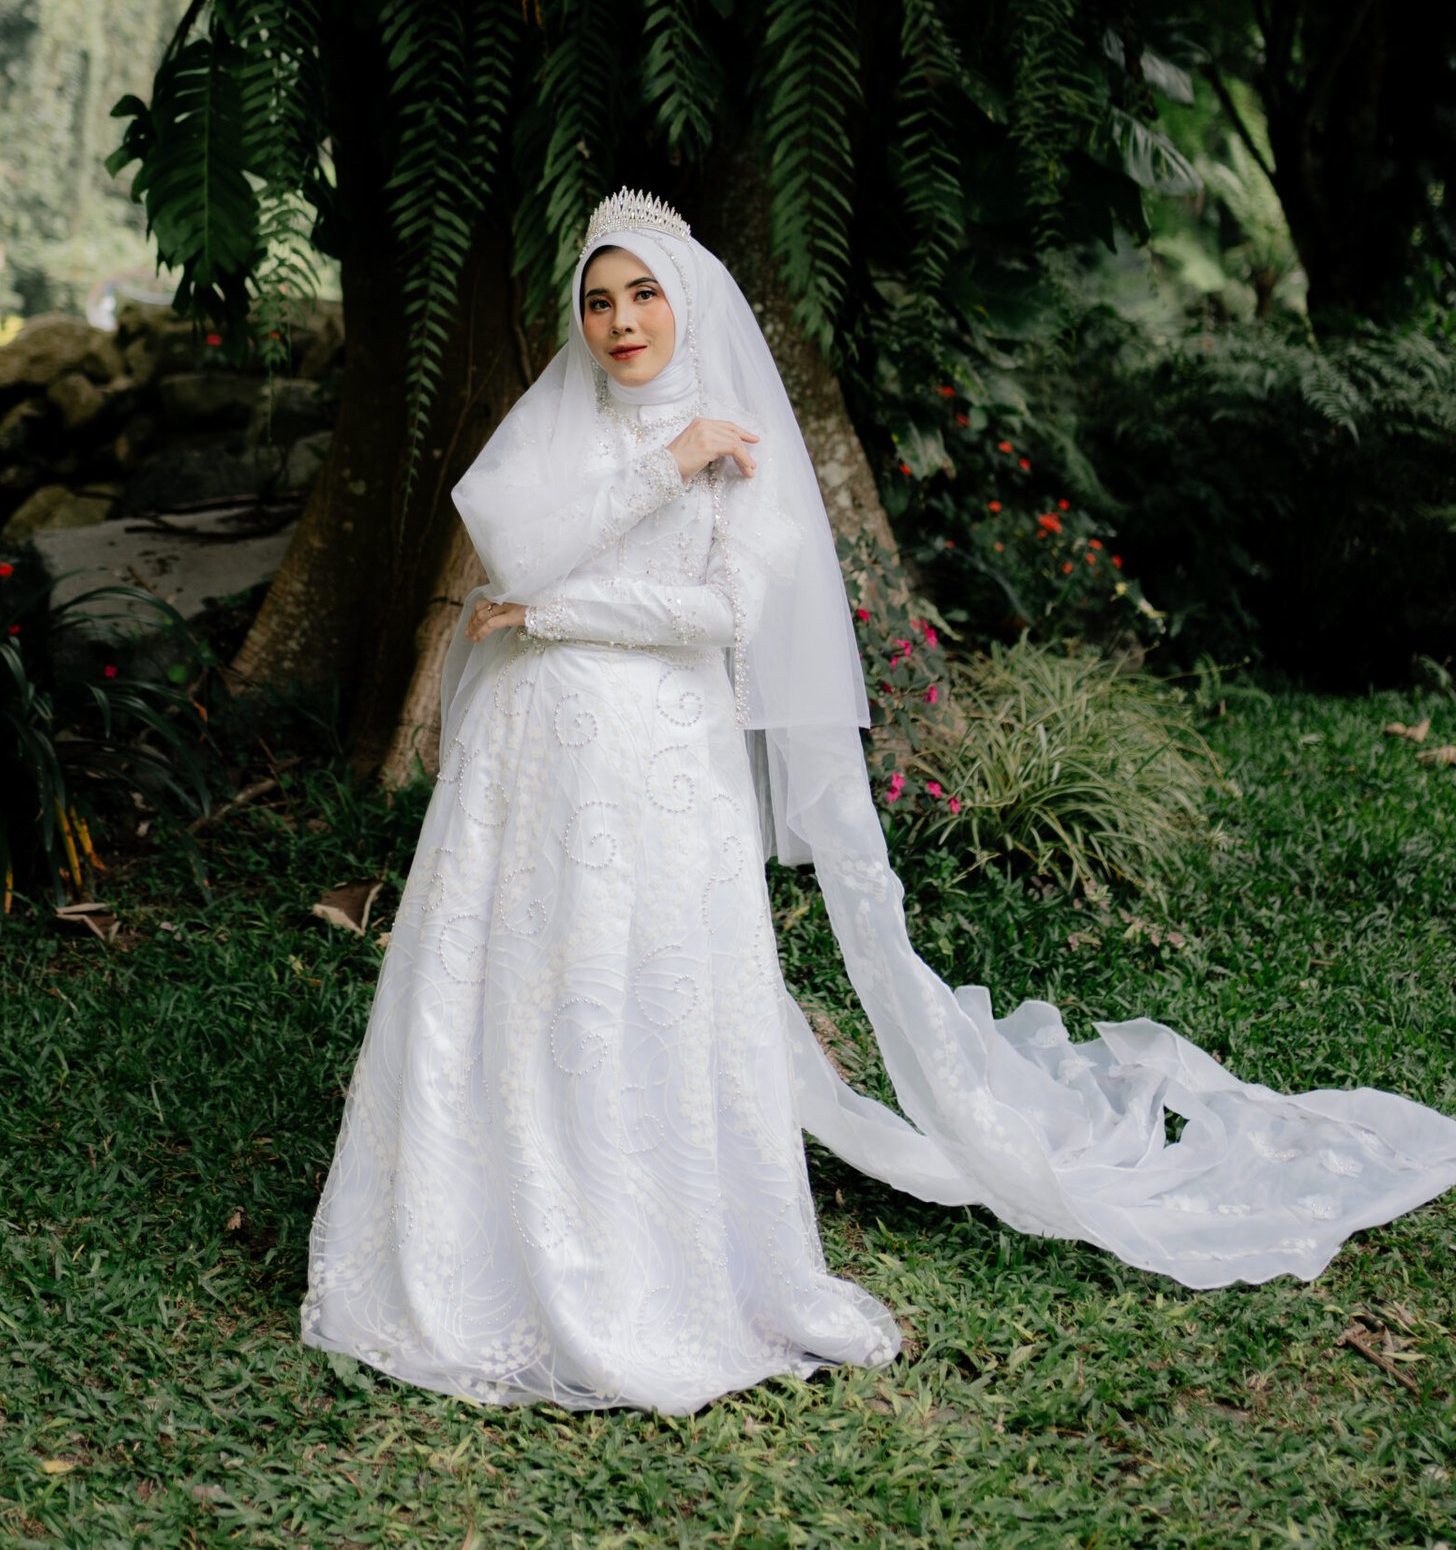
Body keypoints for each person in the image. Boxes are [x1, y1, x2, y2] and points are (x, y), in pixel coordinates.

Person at [300, 187, 1456, 1412]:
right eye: (598, 300)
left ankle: (639, 1256)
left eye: (643, 295)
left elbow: (716, 615)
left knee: (634, 986)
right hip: (530, 761)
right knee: (517, 983)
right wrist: (617, 503)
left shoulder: (736, 447)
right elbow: (512, 546)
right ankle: (477, 1243)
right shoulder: (557, 425)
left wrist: (562, 599)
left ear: (687, 303)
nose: (621, 321)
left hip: (656, 760)